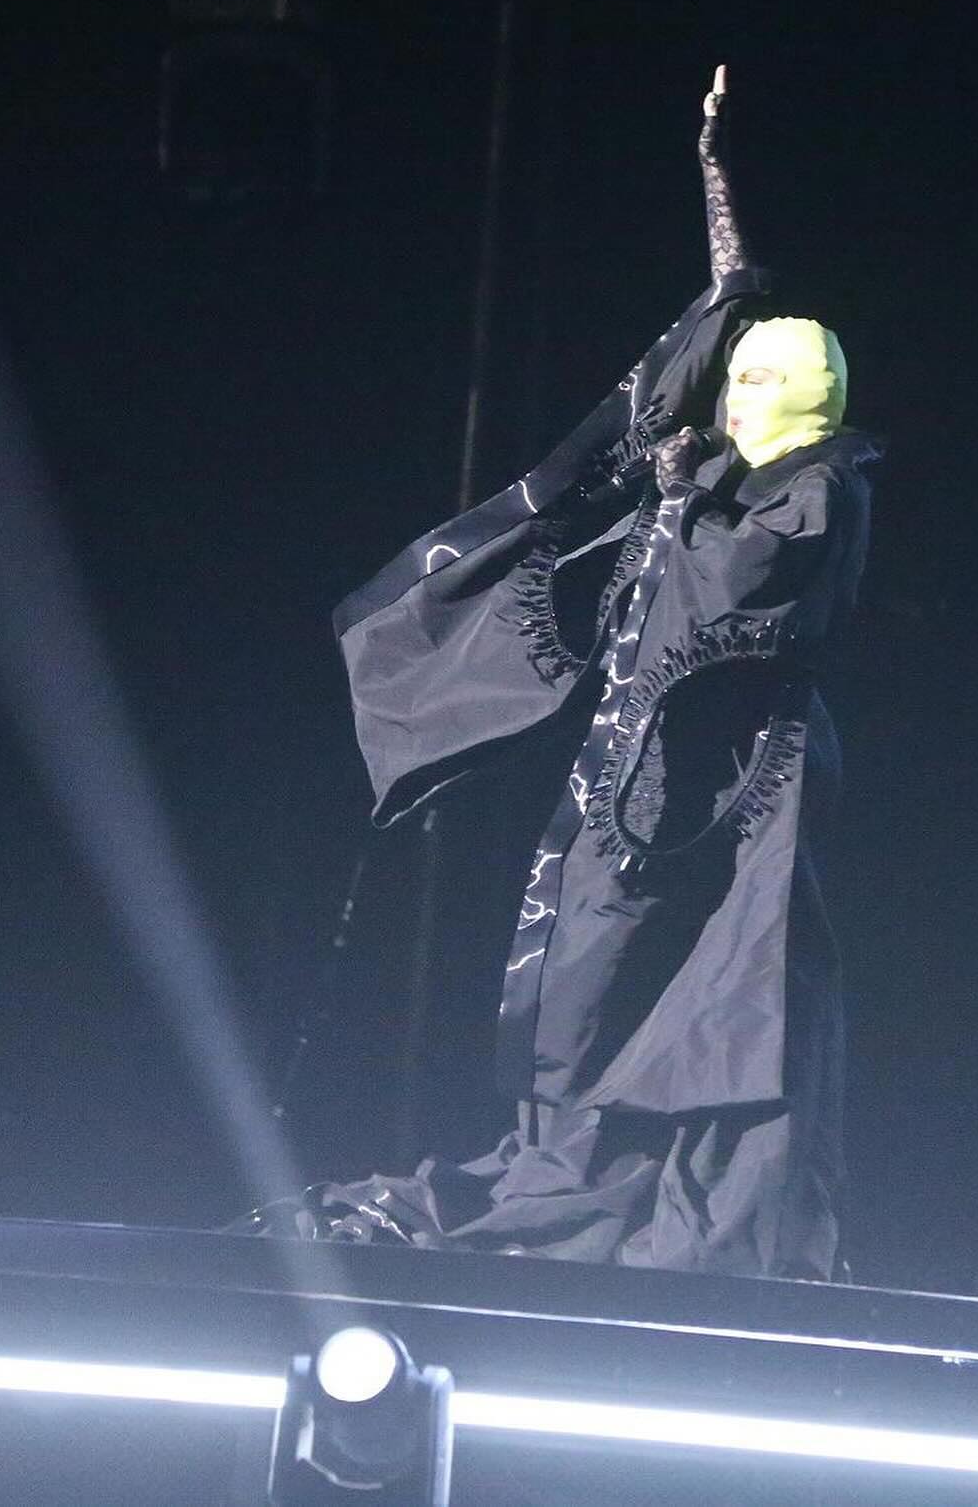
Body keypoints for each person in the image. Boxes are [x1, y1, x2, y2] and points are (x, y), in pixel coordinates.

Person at [307, 68, 880, 1279]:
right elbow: (725, 305)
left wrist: (681, 497)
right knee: (575, 999)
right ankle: (561, 1186)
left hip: (731, 798)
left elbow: (747, 594)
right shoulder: (714, 478)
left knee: (707, 1011)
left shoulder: (820, 491)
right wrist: (714, 170)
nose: (734, 394)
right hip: (631, 784)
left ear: (810, 394)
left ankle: (657, 1218)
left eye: (761, 380)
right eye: (738, 377)